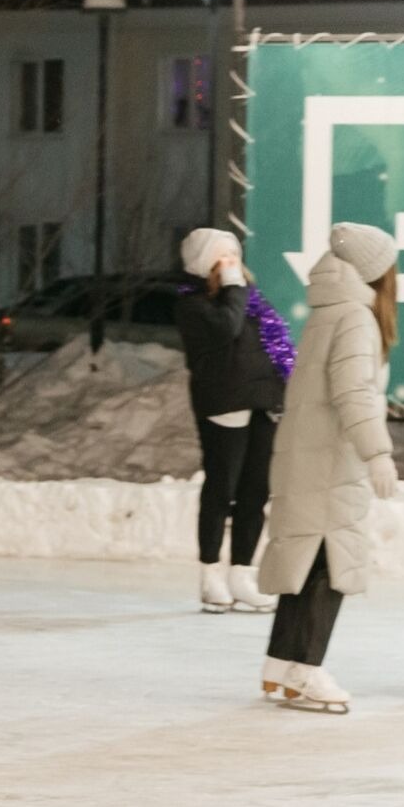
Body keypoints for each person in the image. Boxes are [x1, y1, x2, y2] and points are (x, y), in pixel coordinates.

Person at [258, 222, 399, 714]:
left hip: (308, 454)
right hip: (329, 460)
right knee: (329, 565)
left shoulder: (328, 310)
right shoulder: (356, 318)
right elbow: (353, 392)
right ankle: (305, 668)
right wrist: (376, 451)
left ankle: (280, 662)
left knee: (307, 558)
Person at [175, 228, 290, 615]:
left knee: (255, 490)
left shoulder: (248, 297)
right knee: (222, 487)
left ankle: (243, 571)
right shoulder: (193, 303)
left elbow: (275, 343)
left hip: (261, 401)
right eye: (222, 256)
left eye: (234, 254)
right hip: (224, 401)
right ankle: (211, 574)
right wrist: (233, 287)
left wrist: (284, 388)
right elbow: (227, 328)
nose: (231, 262)